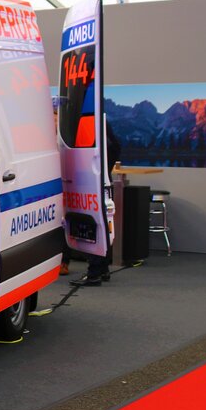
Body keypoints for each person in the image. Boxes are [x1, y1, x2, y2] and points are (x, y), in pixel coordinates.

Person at [78, 119, 121, 286]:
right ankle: (102, 269)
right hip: (105, 185)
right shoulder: (110, 143)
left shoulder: (92, 149)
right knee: (103, 227)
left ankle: (94, 273)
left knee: (93, 228)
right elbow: (116, 149)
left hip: (92, 187)